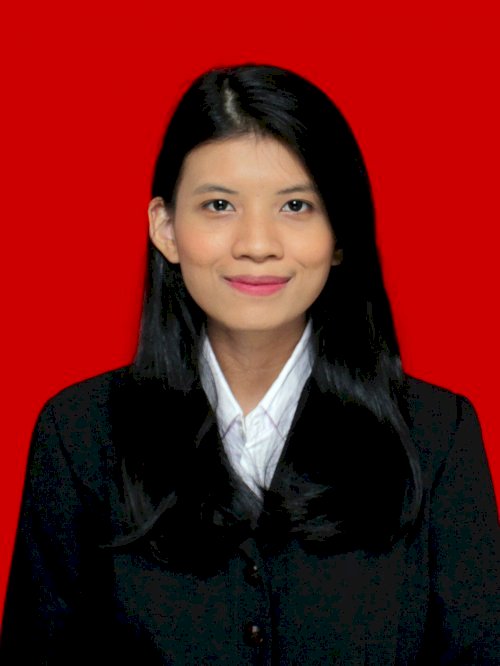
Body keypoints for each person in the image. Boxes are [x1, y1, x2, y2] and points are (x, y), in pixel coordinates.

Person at [0, 63, 498, 665]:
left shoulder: (437, 437)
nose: (257, 244)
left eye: (296, 205)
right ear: (166, 227)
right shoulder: (79, 435)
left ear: (340, 235)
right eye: (219, 205)